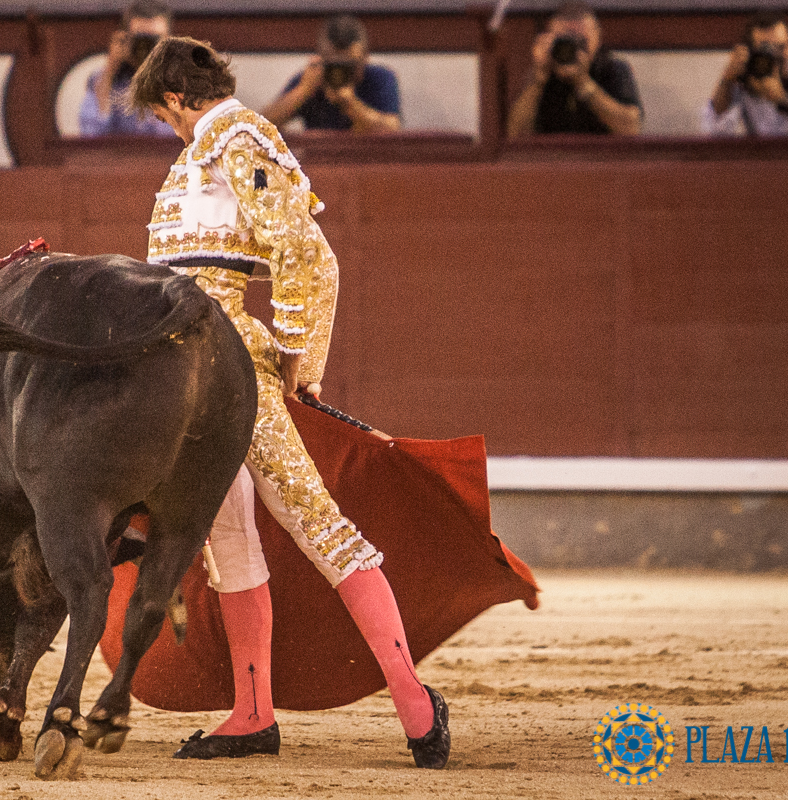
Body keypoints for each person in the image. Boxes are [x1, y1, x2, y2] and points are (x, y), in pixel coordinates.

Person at [130, 37, 449, 769]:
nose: (165, 127)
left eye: (162, 114)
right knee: (228, 536)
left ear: (176, 98)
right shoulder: (203, 153)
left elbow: (307, 253)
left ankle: (414, 703)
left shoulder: (241, 137)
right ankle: (252, 715)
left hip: (227, 362)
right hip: (180, 365)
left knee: (315, 521)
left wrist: (301, 360)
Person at [506, 1, 641, 137]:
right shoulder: (543, 71)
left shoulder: (612, 69)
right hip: (552, 150)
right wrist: (538, 81)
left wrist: (584, 83)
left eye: (581, 42)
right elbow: (515, 134)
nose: (573, 49)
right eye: (565, 41)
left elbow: (631, 129)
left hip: (602, 150)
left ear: (598, 38)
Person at [261, 15, 400, 133]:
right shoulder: (312, 79)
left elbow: (392, 130)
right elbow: (261, 126)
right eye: (333, 64)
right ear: (320, 56)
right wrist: (303, 91)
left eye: (350, 65)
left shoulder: (379, 78)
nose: (340, 71)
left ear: (365, 57)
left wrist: (350, 104)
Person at [78, 0, 175, 137]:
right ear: (126, 40)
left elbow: (175, 137)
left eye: (154, 40)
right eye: (140, 40)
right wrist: (111, 67)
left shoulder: (182, 83)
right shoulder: (107, 80)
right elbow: (90, 133)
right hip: (117, 151)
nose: (146, 47)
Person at [703, 12, 788, 137]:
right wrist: (728, 79)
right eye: (765, 49)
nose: (775, 56)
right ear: (751, 52)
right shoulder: (747, 71)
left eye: (781, 47)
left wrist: (784, 101)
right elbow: (714, 127)